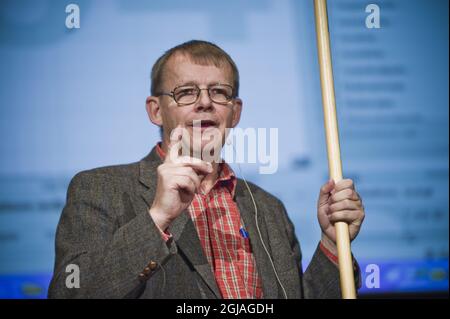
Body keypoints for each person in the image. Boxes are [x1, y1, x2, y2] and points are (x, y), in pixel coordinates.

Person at [48, 40, 365, 299]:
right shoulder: (101, 189)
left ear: (235, 112)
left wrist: (332, 243)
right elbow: (71, 293)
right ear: (156, 110)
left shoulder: (268, 208)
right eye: (186, 92)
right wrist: (157, 218)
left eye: (219, 92)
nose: (205, 103)